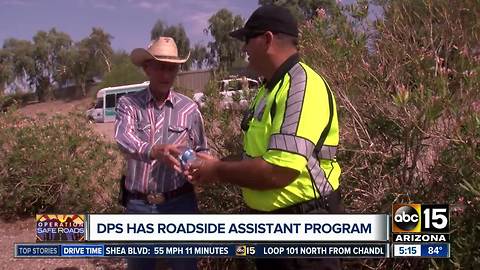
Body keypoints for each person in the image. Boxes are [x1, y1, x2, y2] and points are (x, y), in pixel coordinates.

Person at [187, 5, 343, 270]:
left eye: (247, 39)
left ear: (267, 39)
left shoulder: (301, 85)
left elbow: (278, 171)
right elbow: (259, 156)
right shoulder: (268, 89)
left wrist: (217, 171)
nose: (244, 49)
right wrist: (215, 163)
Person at [115, 36, 207, 270]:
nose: (167, 75)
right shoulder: (128, 104)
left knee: (185, 266)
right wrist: (155, 151)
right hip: (139, 206)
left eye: (172, 68)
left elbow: (201, 150)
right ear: (147, 68)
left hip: (180, 204)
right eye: (161, 67)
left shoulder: (189, 109)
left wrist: (200, 167)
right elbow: (123, 139)